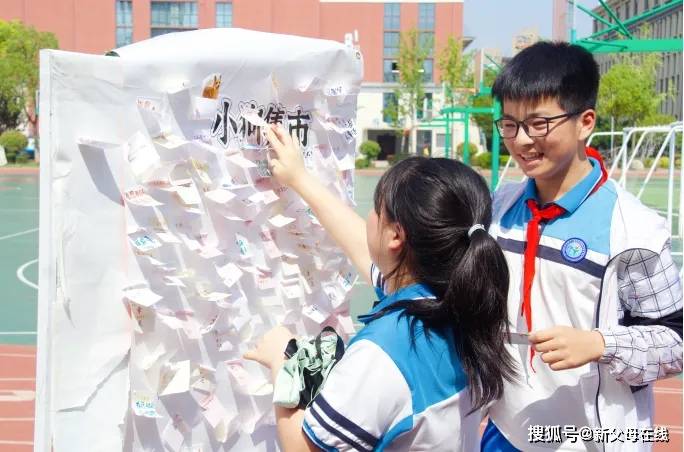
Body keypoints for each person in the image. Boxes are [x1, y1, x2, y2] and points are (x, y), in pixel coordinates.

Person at [244, 123, 517, 451]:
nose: (369, 217)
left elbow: (305, 449)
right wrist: (299, 179)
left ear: (396, 236)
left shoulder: (385, 351)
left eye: (376, 209)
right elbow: (364, 246)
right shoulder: (460, 304)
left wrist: (286, 365)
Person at [481, 41, 683, 452]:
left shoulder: (634, 233)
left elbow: (677, 340)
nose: (521, 141)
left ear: (585, 122)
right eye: (509, 124)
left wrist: (600, 345)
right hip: (505, 431)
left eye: (539, 124)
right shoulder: (498, 210)